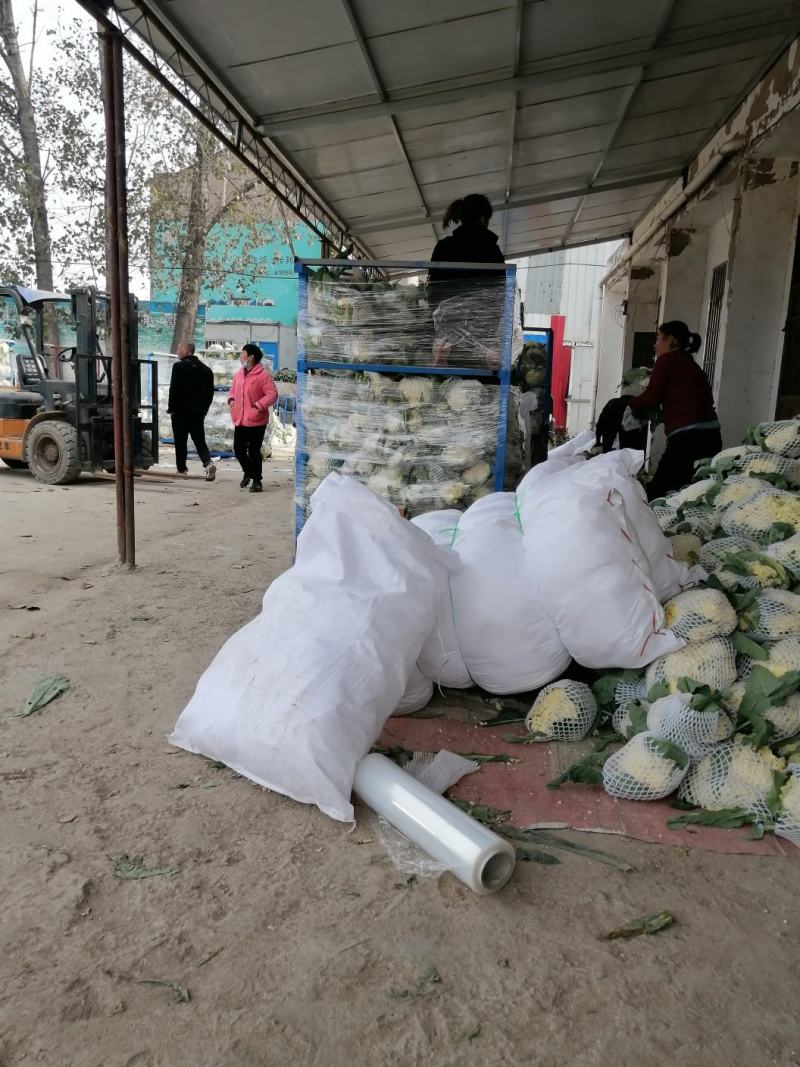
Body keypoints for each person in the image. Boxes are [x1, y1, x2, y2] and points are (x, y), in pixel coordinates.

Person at [625, 321, 721, 500]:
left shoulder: (667, 361)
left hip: (687, 440)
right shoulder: (692, 365)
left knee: (657, 492)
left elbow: (653, 396)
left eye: (659, 338)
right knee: (694, 491)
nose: (655, 344)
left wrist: (631, 405)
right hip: (712, 436)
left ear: (672, 340)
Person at [427, 193, 506, 368]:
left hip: (446, 342)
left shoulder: (444, 247)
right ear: (484, 218)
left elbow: (432, 290)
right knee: (479, 389)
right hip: (482, 344)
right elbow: (499, 297)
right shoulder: (492, 252)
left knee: (444, 387)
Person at [228, 343, 278, 493]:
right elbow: (232, 390)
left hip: (256, 419)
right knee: (238, 450)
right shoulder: (239, 374)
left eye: (243, 353)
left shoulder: (262, 375)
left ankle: (257, 481)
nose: (240, 356)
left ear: (251, 357)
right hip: (240, 418)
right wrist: (231, 400)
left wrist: (258, 406)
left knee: (254, 451)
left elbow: (272, 394)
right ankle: (248, 472)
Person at [167, 341, 216, 481]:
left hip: (180, 412)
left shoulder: (178, 367)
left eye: (179, 348)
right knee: (200, 440)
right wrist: (204, 410)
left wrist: (171, 409)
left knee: (180, 442)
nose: (177, 350)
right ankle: (208, 463)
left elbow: (173, 390)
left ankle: (182, 470)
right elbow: (210, 394)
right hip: (197, 413)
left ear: (187, 350)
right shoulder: (206, 370)